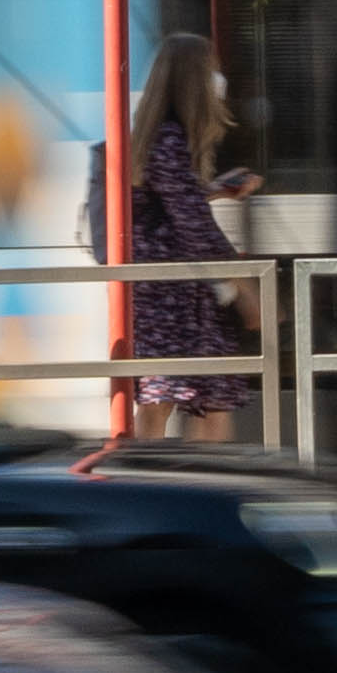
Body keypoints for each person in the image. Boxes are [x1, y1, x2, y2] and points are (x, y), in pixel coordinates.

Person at [115, 33, 264, 441]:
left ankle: (183, 484)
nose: (218, 78)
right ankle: (177, 490)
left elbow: (171, 200)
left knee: (199, 397)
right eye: (210, 68)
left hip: (175, 287)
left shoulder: (162, 137)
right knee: (175, 400)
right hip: (168, 292)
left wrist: (214, 188)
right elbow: (192, 224)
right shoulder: (168, 139)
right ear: (192, 80)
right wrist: (245, 286)